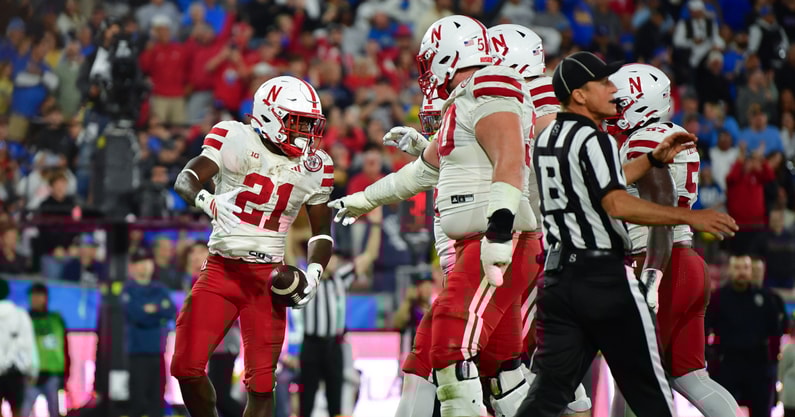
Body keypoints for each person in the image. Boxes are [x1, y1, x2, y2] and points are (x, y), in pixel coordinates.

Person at [332, 15, 537, 416]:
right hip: (479, 246)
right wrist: (363, 199)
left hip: (494, 243)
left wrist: (497, 233)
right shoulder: (463, 101)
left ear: (449, 55)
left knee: (447, 343)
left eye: (430, 61)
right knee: (488, 365)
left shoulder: (488, 88)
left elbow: (509, 160)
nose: (426, 71)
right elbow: (420, 173)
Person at [515, 51, 738, 417]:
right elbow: (617, 200)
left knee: (554, 388)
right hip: (629, 268)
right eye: (603, 84)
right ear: (580, 95)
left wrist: (650, 162)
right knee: (656, 382)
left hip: (583, 270)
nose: (613, 93)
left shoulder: (550, 139)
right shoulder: (601, 140)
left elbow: (607, 186)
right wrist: (690, 217)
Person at [170, 75, 334, 417]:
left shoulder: (316, 167)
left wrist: (314, 276)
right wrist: (208, 201)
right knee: (185, 367)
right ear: (271, 116)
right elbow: (186, 178)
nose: (306, 133)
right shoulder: (235, 137)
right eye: (298, 123)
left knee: (261, 386)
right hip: (221, 269)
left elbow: (322, 233)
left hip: (268, 279)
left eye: (310, 124)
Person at [606, 63, 740, 417]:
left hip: (661, 263)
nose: (614, 108)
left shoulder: (643, 141)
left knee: (634, 374)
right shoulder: (668, 133)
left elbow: (662, 206)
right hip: (688, 261)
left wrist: (651, 275)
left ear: (640, 104)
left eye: (620, 102)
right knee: (691, 376)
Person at [300, 207, 382, 417]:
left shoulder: (340, 278)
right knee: (306, 400)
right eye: (331, 256)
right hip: (311, 344)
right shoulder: (307, 279)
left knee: (335, 399)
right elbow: (291, 250)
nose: (335, 260)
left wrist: (375, 226)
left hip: (333, 345)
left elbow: (369, 256)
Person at [706, 255, 787, 417]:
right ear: (730, 270)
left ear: (750, 270)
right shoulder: (718, 298)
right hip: (727, 365)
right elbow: (704, 328)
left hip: (758, 367)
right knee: (722, 412)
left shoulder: (765, 298)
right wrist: (710, 355)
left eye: (745, 268)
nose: (741, 272)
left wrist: (772, 363)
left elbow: (776, 332)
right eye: (737, 268)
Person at [122, 247, 176, 417]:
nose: (144, 266)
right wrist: (156, 312)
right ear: (132, 267)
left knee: (157, 402)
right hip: (137, 353)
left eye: (146, 261)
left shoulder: (160, 288)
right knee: (138, 403)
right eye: (138, 262)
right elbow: (136, 315)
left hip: (157, 352)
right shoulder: (128, 289)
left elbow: (170, 311)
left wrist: (150, 311)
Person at [21, 283, 71, 417]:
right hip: (31, 375)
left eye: (39, 295)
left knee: (55, 411)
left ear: (45, 298)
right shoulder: (24, 319)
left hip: (53, 375)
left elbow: (65, 346)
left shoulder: (56, 319)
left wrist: (66, 373)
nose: (35, 299)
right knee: (23, 411)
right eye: (33, 296)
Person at [0, 278, 38, 417]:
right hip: (16, 373)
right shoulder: (20, 315)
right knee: (17, 412)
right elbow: (29, 345)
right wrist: (33, 370)